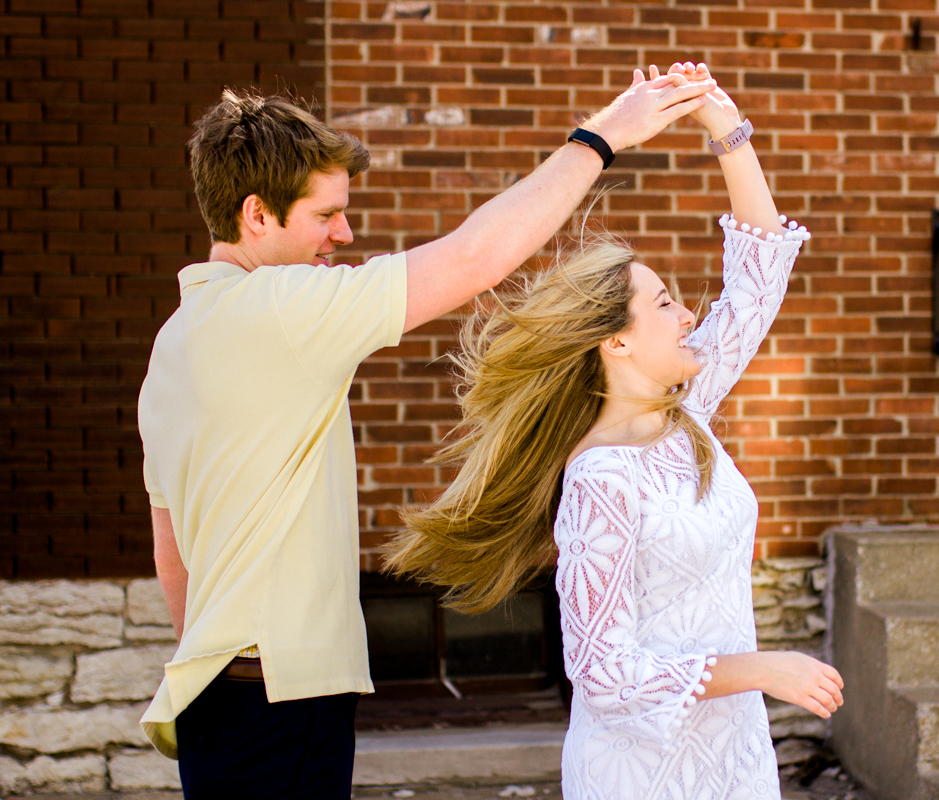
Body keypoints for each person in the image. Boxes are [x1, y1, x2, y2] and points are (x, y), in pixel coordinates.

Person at [137, 69, 715, 799]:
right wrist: (602, 137)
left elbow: (172, 557)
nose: (344, 234)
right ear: (257, 214)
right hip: (278, 698)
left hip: (219, 700)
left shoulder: (174, 340)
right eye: (325, 216)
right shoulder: (281, 309)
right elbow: (476, 259)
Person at [384, 63, 844, 799]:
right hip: (640, 774)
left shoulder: (686, 411)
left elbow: (759, 271)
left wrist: (724, 125)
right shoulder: (600, 479)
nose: (690, 313)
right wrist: (764, 668)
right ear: (616, 343)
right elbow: (604, 672)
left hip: (734, 759)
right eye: (665, 303)